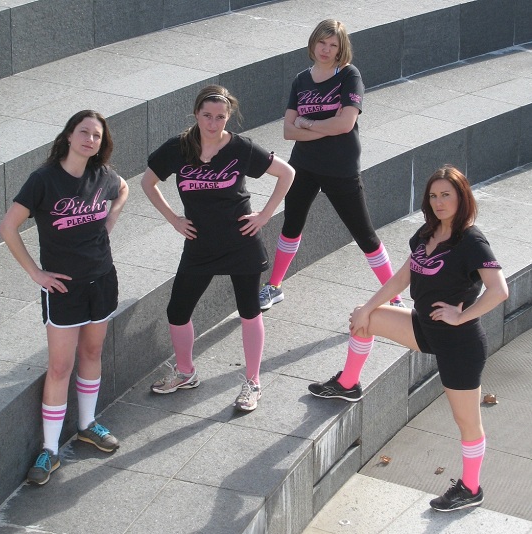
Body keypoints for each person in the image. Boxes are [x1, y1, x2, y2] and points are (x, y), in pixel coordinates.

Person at [308, 165, 509, 512]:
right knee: (364, 319)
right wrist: (368, 307)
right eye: (433, 195)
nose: (439, 202)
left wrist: (461, 315)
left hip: (459, 346)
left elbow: (499, 290)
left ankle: (471, 488)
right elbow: (403, 277)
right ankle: (348, 384)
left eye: (446, 195)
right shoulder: (426, 233)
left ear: (461, 197)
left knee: (467, 422)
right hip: (424, 328)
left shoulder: (471, 241)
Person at [141, 85, 294, 411]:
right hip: (199, 244)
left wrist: (264, 215)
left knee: (249, 311)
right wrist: (174, 219)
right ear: (196, 114)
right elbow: (147, 182)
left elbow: (287, 173)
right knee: (177, 311)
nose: (213, 123)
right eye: (207, 115)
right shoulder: (179, 148)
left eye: (220, 117)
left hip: (241, 242)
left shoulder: (241, 148)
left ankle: (253, 382)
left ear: (228, 117)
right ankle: (186, 372)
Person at [0, 110, 129, 485]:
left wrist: (110, 220)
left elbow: (123, 188)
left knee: (92, 352)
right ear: (69, 135)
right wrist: (36, 273)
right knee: (59, 367)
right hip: (63, 289)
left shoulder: (103, 176)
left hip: (102, 280)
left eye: (97, 135)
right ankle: (50, 449)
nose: (90, 139)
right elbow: (7, 227)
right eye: (84, 132)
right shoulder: (44, 179)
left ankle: (87, 425)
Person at [259, 19, 403, 311]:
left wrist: (308, 123)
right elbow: (288, 131)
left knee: (365, 235)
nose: (325, 49)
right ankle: (274, 286)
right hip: (304, 165)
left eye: (332, 45)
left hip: (341, 168)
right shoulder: (301, 79)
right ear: (313, 43)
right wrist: (328, 125)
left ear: (341, 48)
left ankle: (395, 298)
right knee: (291, 226)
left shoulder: (349, 75)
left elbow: (346, 124)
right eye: (321, 43)